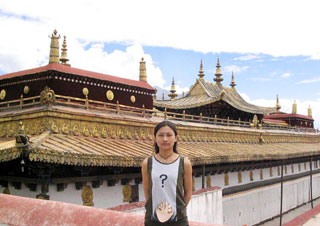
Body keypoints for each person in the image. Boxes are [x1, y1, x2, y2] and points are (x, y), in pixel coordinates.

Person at [141, 121, 192, 226]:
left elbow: (188, 192)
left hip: (178, 220)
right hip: (153, 219)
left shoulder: (184, 162)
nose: (165, 139)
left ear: (175, 138)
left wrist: (176, 210)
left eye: (169, 135)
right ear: (155, 138)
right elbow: (147, 191)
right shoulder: (148, 163)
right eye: (161, 135)